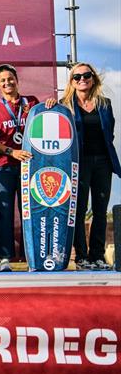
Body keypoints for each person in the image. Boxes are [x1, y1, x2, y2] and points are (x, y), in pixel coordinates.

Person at [0, 64, 41, 272]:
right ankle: (3, 258)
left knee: (31, 211)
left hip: (30, 165)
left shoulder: (32, 102)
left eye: (10, 78)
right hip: (4, 166)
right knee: (4, 212)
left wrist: (51, 104)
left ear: (17, 80)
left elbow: (45, 121)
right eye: (3, 81)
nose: (7, 83)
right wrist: (11, 152)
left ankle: (34, 256)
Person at [61, 62, 120, 270]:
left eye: (86, 75)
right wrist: (51, 104)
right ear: (72, 82)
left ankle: (98, 256)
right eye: (77, 77)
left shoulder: (105, 103)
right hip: (79, 162)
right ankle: (82, 257)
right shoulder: (65, 104)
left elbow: (109, 133)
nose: (82, 79)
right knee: (78, 210)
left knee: (100, 210)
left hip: (103, 162)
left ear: (93, 78)